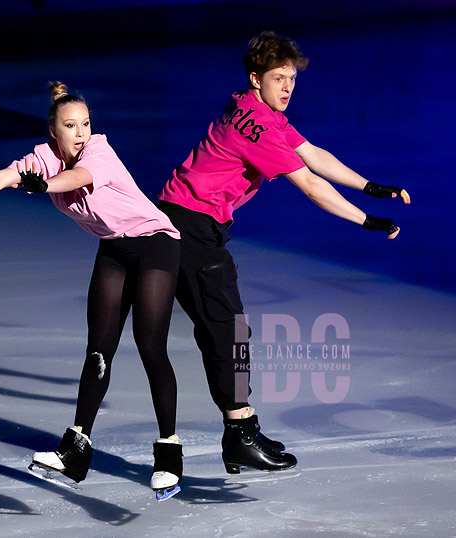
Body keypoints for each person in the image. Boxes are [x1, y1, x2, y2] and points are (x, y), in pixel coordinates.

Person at [0, 82, 183, 500]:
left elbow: (78, 178)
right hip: (114, 249)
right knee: (99, 349)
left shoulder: (99, 152)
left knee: (149, 344)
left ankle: (168, 453)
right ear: (53, 131)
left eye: (86, 124)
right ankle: (76, 448)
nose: (80, 133)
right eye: (71, 126)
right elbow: (2, 177)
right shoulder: (41, 157)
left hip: (155, 244)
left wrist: (45, 186)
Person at [157, 31, 411, 475]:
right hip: (189, 227)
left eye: (291, 78)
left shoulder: (258, 111)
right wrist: (365, 221)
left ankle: (242, 429)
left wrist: (370, 187)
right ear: (256, 79)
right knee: (230, 333)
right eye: (278, 78)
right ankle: (240, 434)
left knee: (226, 332)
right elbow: (311, 185)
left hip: (193, 224)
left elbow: (312, 154)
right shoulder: (255, 126)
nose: (288, 87)